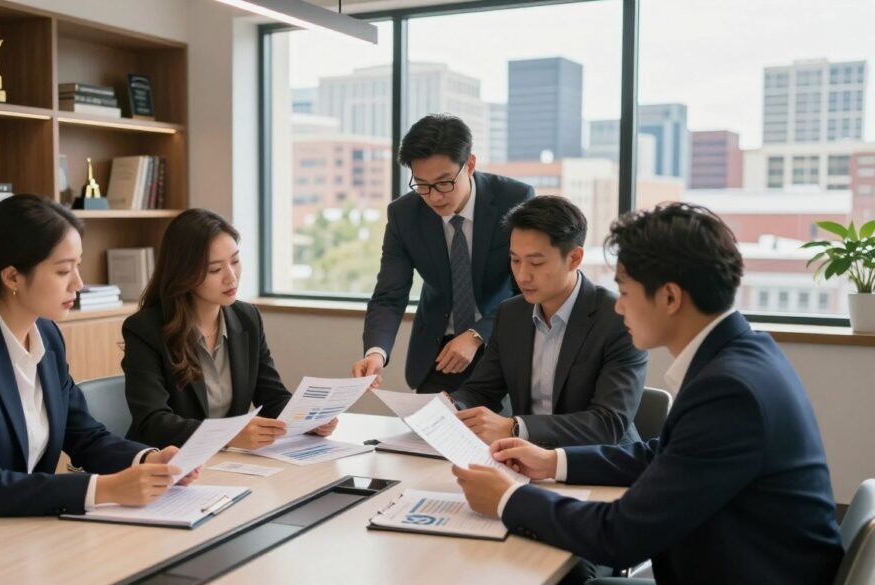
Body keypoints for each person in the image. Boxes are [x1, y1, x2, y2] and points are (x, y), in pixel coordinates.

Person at [452, 203, 843, 585]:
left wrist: (508, 500)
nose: (619, 307)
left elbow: (619, 536)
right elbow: (664, 455)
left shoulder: (729, 390)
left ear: (670, 298)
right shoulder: (745, 355)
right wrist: (553, 460)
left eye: (624, 291)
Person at [0, 195, 197, 537]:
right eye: (64, 270)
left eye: (77, 266)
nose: (78, 283)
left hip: (17, 532)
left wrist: (148, 461)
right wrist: (105, 489)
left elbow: (84, 435)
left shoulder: (46, 336)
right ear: (12, 277)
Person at [122, 209, 336, 450]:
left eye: (235, 261)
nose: (231, 278)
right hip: (170, 464)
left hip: (229, 463)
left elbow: (272, 397)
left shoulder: (247, 318)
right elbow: (153, 423)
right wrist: (228, 435)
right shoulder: (145, 330)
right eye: (215, 270)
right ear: (183, 273)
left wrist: (309, 419)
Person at [352, 114, 534, 393]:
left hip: (500, 347)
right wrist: (376, 353)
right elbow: (390, 295)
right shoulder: (404, 214)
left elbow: (528, 288)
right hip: (439, 355)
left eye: (444, 182)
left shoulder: (514, 199)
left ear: (470, 165)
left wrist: (476, 335)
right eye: (422, 185)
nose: (434, 196)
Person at [450, 196, 646, 447]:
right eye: (515, 260)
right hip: (523, 459)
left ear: (574, 258)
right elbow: (481, 391)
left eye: (536, 263)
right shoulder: (511, 314)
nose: (522, 275)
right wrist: (450, 406)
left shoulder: (617, 318)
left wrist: (516, 427)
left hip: (599, 465)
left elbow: (608, 423)